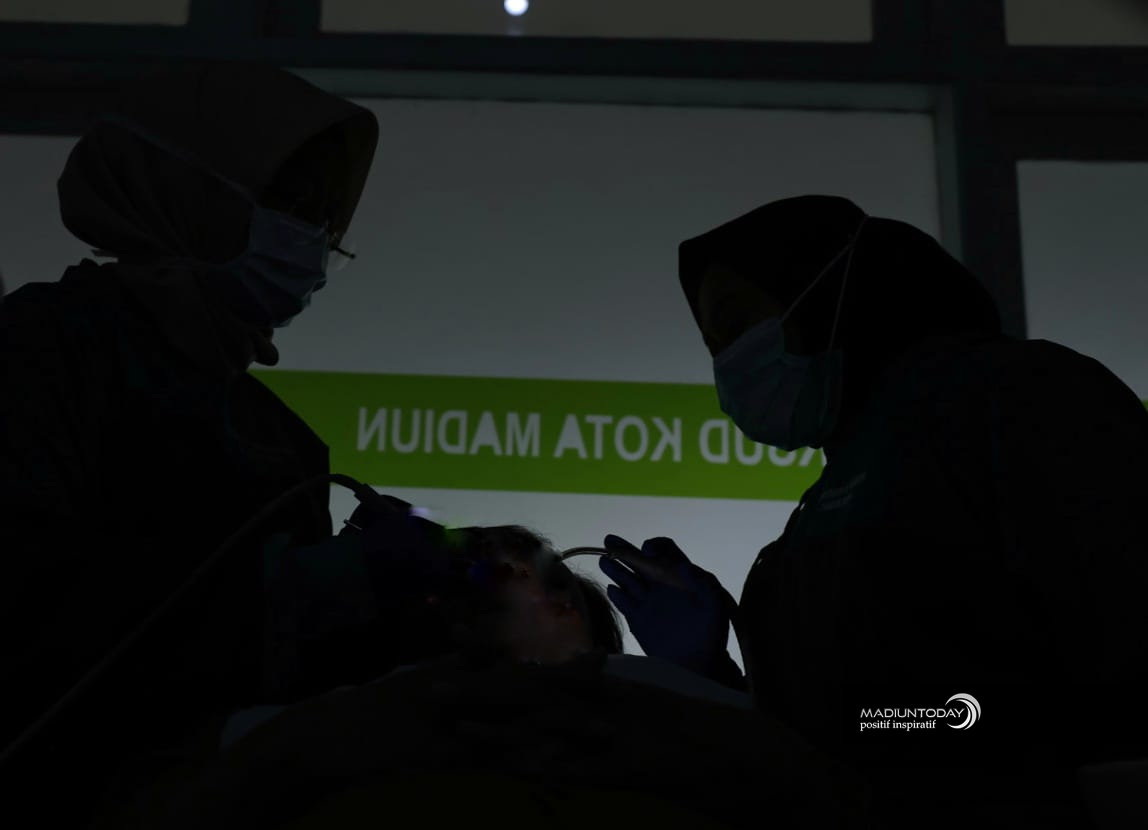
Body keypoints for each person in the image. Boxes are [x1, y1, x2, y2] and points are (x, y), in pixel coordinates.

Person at [598, 195, 1148, 829]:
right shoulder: (821, 510)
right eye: (714, 343)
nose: (727, 359)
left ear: (830, 294)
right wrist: (711, 675)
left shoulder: (1018, 400)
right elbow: (839, 739)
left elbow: (936, 719)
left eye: (738, 323)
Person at [0, 62, 378, 820]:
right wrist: (272, 599)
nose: (310, 240)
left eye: (325, 222)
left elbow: (288, 703)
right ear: (185, 191)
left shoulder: (283, 440)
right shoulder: (39, 353)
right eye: (290, 205)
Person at [116, 524, 863, 829]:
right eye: (481, 572)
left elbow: (873, 753)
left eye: (551, 587)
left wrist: (716, 679)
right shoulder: (342, 715)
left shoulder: (677, 699)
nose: (517, 580)